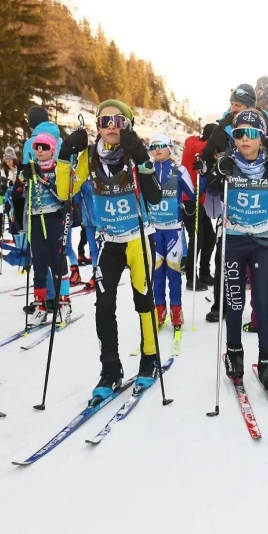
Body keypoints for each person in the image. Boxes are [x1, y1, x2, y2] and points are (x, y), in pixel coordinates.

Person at [56, 99, 164, 399]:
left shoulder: (134, 154)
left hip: (138, 237)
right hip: (108, 241)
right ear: (97, 127)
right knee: (104, 307)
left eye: (118, 121)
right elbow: (65, 191)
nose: (111, 127)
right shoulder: (89, 157)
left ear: (128, 125)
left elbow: (154, 196)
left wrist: (141, 156)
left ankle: (149, 358)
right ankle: (110, 369)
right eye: (104, 121)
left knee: (144, 301)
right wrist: (65, 154)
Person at [203, 109, 268, 393]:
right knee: (234, 302)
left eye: (251, 133)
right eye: (239, 133)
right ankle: (234, 354)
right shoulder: (227, 165)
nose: (244, 139)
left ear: (262, 137)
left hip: (261, 242)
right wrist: (214, 183)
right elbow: (212, 211)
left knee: (263, 303)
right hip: (233, 241)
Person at [200, 84, 268, 326]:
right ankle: (221, 305)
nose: (235, 109)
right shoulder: (224, 125)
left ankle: (263, 310)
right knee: (226, 254)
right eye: (233, 104)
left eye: (240, 105)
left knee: (265, 258)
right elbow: (208, 154)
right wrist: (209, 168)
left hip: (265, 198)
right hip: (233, 196)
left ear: (252, 105)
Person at [21, 132, 71, 325]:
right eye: (37, 147)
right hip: (35, 218)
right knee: (39, 262)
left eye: (44, 147)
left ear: (52, 149)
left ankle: (64, 302)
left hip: (54, 218)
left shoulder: (58, 168)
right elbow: (18, 192)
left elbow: (62, 195)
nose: (40, 151)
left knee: (58, 261)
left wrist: (43, 179)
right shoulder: (30, 166)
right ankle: (40, 305)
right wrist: (23, 178)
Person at [148, 133, 195, 329]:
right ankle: (159, 308)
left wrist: (201, 174)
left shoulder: (179, 170)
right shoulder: (147, 171)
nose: (157, 149)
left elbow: (193, 194)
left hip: (174, 230)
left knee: (174, 272)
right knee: (157, 272)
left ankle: (176, 309)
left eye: (161, 145)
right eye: (153, 146)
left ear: (169, 148)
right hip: (154, 230)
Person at [181, 122, 216, 291]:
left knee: (210, 237)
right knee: (197, 239)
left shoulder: (206, 150)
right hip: (189, 199)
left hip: (201, 200)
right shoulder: (194, 145)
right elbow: (200, 148)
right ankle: (190, 278)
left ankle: (204, 273)